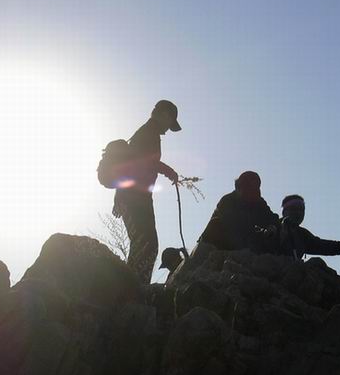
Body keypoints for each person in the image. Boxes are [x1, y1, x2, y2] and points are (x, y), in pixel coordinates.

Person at [112, 100, 182, 285]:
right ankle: (134, 289)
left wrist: (119, 196)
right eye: (170, 122)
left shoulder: (147, 133)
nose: (168, 129)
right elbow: (145, 161)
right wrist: (169, 171)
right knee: (147, 245)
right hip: (135, 198)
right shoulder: (148, 133)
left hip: (135, 197)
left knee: (144, 244)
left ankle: (132, 287)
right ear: (164, 114)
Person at [199, 171, 279, 252]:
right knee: (215, 224)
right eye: (248, 187)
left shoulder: (259, 202)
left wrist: (272, 227)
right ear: (239, 188)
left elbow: (272, 218)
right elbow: (232, 226)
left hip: (246, 242)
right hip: (223, 243)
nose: (251, 192)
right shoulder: (227, 201)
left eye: (255, 188)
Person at [277, 195, 340, 260]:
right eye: (293, 209)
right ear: (284, 212)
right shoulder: (274, 225)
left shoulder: (302, 235)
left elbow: (324, 246)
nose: (298, 213)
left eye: (301, 210)